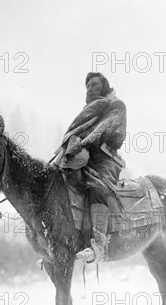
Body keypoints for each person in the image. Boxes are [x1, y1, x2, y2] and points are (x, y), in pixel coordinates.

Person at [51, 72, 127, 262]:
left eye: (95, 84)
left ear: (104, 86)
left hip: (105, 158)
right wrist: (72, 147)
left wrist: (82, 144)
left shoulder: (116, 105)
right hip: (82, 156)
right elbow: (75, 134)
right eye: (88, 86)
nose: (91, 88)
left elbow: (104, 130)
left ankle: (99, 244)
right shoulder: (88, 111)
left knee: (97, 186)